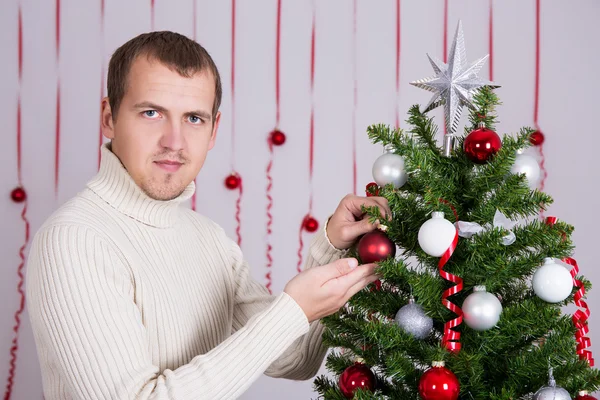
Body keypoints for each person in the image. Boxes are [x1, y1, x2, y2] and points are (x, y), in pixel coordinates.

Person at [25, 31, 391, 400]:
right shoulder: (74, 239)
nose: (175, 141)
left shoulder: (209, 239)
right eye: (151, 113)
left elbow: (292, 358)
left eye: (194, 119)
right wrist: (291, 310)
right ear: (109, 118)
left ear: (214, 129)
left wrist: (329, 247)